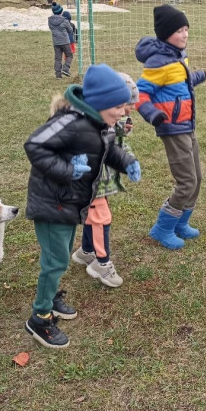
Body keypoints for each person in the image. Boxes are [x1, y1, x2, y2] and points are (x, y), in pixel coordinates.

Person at [23, 64, 141, 349]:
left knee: (61, 255)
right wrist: (67, 170)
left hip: (70, 203)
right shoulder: (72, 121)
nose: (126, 111)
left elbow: (108, 149)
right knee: (56, 262)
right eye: (121, 105)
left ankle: (50, 298)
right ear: (102, 103)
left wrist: (127, 162)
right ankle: (39, 317)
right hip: (53, 204)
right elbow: (34, 144)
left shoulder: (101, 124)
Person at [135, 4, 206, 250]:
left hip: (188, 126)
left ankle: (180, 223)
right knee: (186, 181)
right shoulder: (158, 62)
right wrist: (152, 114)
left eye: (186, 29)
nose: (185, 34)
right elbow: (140, 94)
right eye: (179, 30)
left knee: (197, 177)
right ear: (166, 33)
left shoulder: (178, 55)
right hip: (172, 129)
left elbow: (180, 83)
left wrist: (197, 76)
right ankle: (162, 228)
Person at [71, 73, 139, 288]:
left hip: (100, 178)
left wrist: (120, 131)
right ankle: (102, 263)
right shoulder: (84, 122)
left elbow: (109, 142)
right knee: (101, 218)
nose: (128, 110)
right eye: (126, 105)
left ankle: (86, 251)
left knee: (94, 216)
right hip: (90, 180)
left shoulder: (106, 117)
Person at [48, 1, 74, 78]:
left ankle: (58, 75)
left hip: (56, 42)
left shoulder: (50, 20)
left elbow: (51, 28)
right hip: (65, 41)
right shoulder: (64, 21)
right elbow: (70, 30)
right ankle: (65, 68)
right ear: (61, 11)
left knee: (58, 58)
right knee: (69, 55)